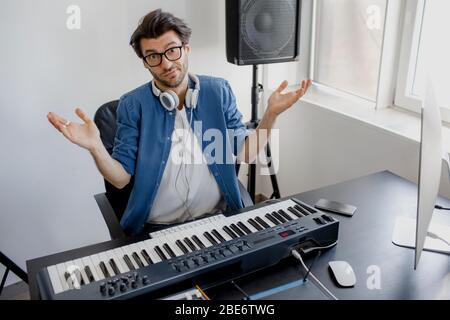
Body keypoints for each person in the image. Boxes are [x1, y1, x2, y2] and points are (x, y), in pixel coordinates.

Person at [47, 9, 311, 235]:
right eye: (153, 56)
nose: (166, 63)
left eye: (172, 50)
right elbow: (119, 180)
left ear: (186, 48)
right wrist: (96, 148)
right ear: (145, 63)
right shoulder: (132, 105)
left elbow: (245, 152)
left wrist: (270, 115)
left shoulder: (218, 92)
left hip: (218, 220)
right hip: (157, 229)